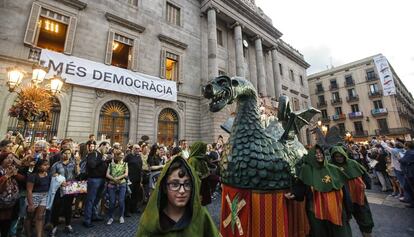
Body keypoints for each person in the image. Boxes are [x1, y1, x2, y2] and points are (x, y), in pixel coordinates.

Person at [136, 156, 220, 236]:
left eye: (187, 184)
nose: (182, 191)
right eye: (174, 184)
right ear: (165, 188)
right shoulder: (150, 219)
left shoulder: (200, 215)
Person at [285, 145, 352, 237]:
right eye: (315, 153)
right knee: (319, 233)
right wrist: (294, 194)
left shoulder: (333, 169)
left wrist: (348, 209)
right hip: (315, 209)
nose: (319, 155)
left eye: (320, 153)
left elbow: (344, 190)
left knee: (340, 233)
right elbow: (301, 185)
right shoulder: (306, 170)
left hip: (336, 208)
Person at [330, 145, 374, 237]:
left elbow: (364, 174)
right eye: (336, 156)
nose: (339, 158)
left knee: (364, 218)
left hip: (358, 196)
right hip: (342, 199)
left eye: (340, 156)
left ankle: (367, 234)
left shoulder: (352, 163)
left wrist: (366, 184)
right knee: (344, 221)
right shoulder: (331, 166)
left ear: (344, 155)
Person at [49, 148, 80, 236]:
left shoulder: (73, 164)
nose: (67, 155)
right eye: (65, 153)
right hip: (59, 188)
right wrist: (57, 178)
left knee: (68, 207)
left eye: (69, 153)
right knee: (57, 207)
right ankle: (54, 225)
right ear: (61, 154)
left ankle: (68, 224)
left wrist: (77, 164)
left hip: (70, 187)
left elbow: (77, 174)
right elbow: (52, 175)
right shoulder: (56, 164)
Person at [83, 141, 110, 228]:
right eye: (106, 148)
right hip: (94, 180)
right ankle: (87, 220)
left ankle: (94, 215)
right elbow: (92, 165)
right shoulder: (93, 154)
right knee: (90, 200)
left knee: (97, 200)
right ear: (101, 146)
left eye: (108, 148)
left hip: (102, 180)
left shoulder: (103, 155)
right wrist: (101, 159)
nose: (107, 150)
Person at [0, 152, 25, 237]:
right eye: (7, 158)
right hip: (1, 202)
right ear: (2, 160)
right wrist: (6, 176)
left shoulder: (12, 168)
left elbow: (23, 179)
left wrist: (15, 174)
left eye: (11, 158)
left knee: (7, 223)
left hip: (10, 203)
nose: (10, 160)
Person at [25, 159, 50, 237]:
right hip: (34, 196)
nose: (47, 166)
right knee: (29, 217)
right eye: (44, 165)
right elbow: (29, 191)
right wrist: (30, 204)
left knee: (40, 217)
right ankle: (28, 234)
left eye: (47, 165)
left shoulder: (47, 174)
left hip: (44, 196)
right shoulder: (33, 176)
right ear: (39, 167)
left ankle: (39, 235)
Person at [106, 151, 128, 225]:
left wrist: (117, 178)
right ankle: (111, 217)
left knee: (121, 201)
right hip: (112, 185)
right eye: (120, 155)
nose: (122, 156)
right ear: (117, 156)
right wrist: (114, 179)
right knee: (112, 202)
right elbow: (107, 174)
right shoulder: (111, 164)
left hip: (122, 184)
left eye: (123, 155)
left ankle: (121, 216)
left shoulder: (125, 164)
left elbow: (126, 174)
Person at [124, 144, 143, 216]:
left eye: (139, 148)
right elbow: (124, 165)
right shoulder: (128, 156)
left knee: (136, 194)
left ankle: (134, 208)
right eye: (136, 148)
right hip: (130, 178)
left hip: (137, 178)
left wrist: (141, 178)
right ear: (133, 149)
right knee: (129, 194)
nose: (138, 150)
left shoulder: (139, 156)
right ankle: (127, 211)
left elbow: (140, 168)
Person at [400, 141, 414, 208]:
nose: (404, 146)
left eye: (405, 145)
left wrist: (399, 158)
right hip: (409, 172)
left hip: (410, 173)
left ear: (407, 146)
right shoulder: (411, 152)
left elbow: (403, 160)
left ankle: (412, 202)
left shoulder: (409, 152)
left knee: (408, 187)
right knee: (407, 187)